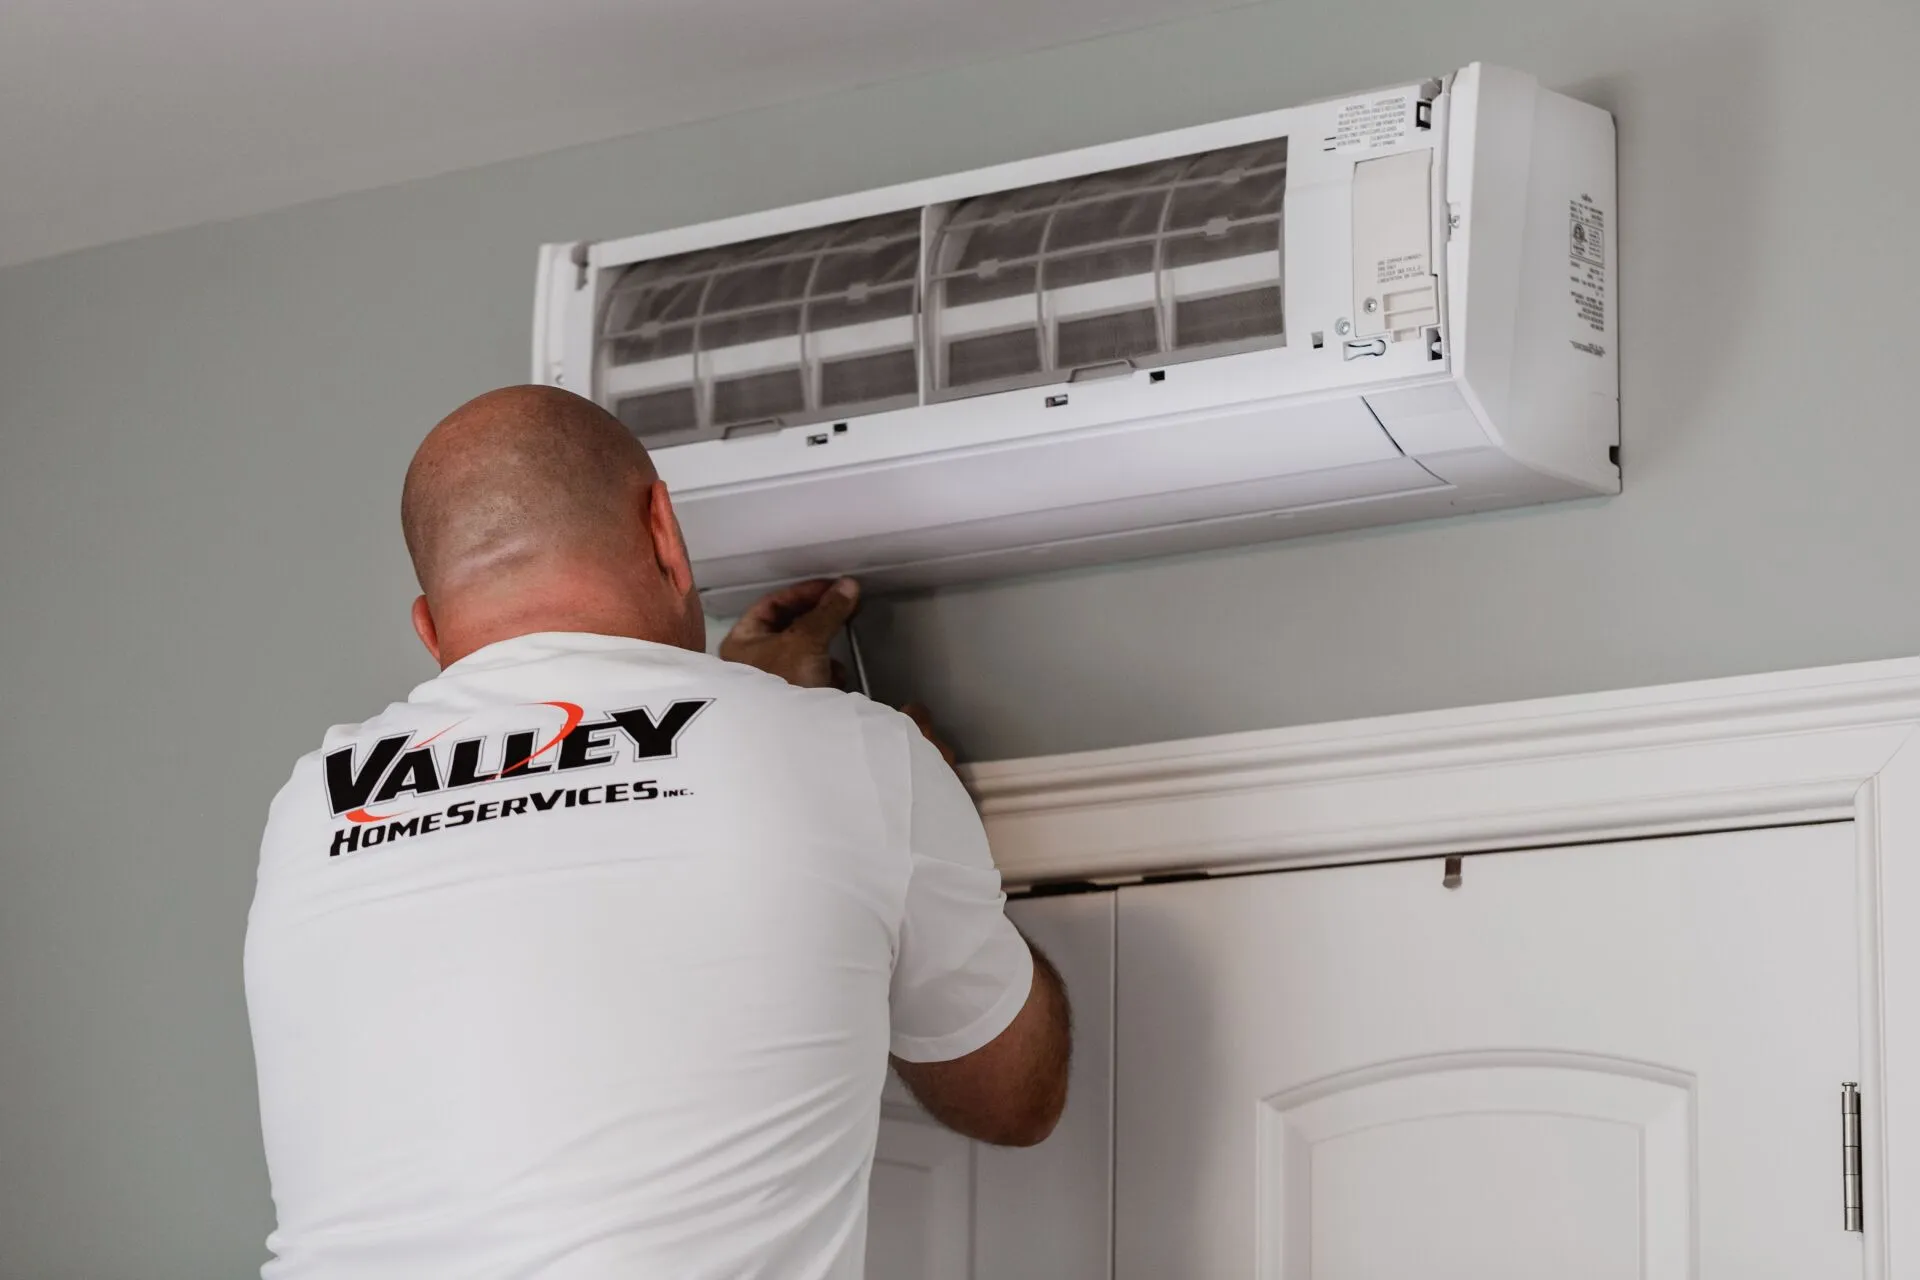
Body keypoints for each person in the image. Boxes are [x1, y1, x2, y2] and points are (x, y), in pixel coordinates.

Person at [243, 385, 1070, 1278]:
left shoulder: (311, 806)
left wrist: (756, 717)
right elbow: (1014, 1099)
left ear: (431, 631)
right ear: (664, 533)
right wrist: (901, 806)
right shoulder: (849, 755)